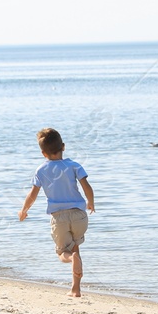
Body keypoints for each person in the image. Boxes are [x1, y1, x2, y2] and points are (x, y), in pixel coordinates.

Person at [18, 127, 95, 297]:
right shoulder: (74, 165)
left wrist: (24, 210)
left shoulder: (41, 170)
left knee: (63, 253)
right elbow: (86, 186)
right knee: (76, 247)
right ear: (64, 147)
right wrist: (91, 202)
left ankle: (71, 260)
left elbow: (33, 194)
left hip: (59, 217)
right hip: (79, 215)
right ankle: (76, 290)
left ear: (43, 153)